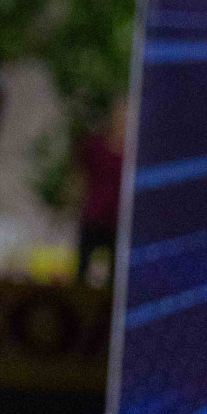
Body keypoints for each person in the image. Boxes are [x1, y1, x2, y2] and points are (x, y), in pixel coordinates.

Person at [77, 96, 126, 288]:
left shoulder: (132, 153)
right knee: (82, 272)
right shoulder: (96, 146)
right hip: (94, 217)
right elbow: (81, 173)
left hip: (117, 222)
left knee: (115, 279)